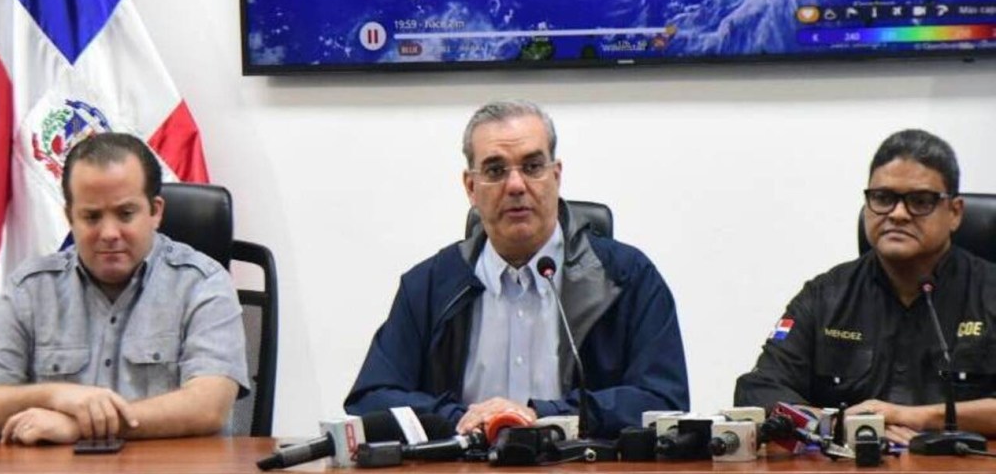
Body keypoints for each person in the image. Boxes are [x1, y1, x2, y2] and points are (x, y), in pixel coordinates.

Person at [345, 100, 689, 438]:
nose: (515, 186)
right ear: (471, 187)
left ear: (556, 176)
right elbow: (371, 400)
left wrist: (546, 416)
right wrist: (464, 420)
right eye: (495, 171)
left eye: (532, 166)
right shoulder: (429, 286)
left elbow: (663, 401)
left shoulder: (626, 278)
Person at [0, 133, 249, 445]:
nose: (109, 233)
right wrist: (55, 395)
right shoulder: (31, 289)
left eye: (125, 214)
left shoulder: (203, 283)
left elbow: (209, 406)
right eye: (91, 217)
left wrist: (80, 425)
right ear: (70, 217)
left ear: (155, 212)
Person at [734, 129, 996, 444]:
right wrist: (838, 424)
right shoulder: (825, 296)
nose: (898, 214)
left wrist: (918, 417)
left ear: (954, 212)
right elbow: (757, 389)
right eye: (883, 198)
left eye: (920, 201)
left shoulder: (989, 292)